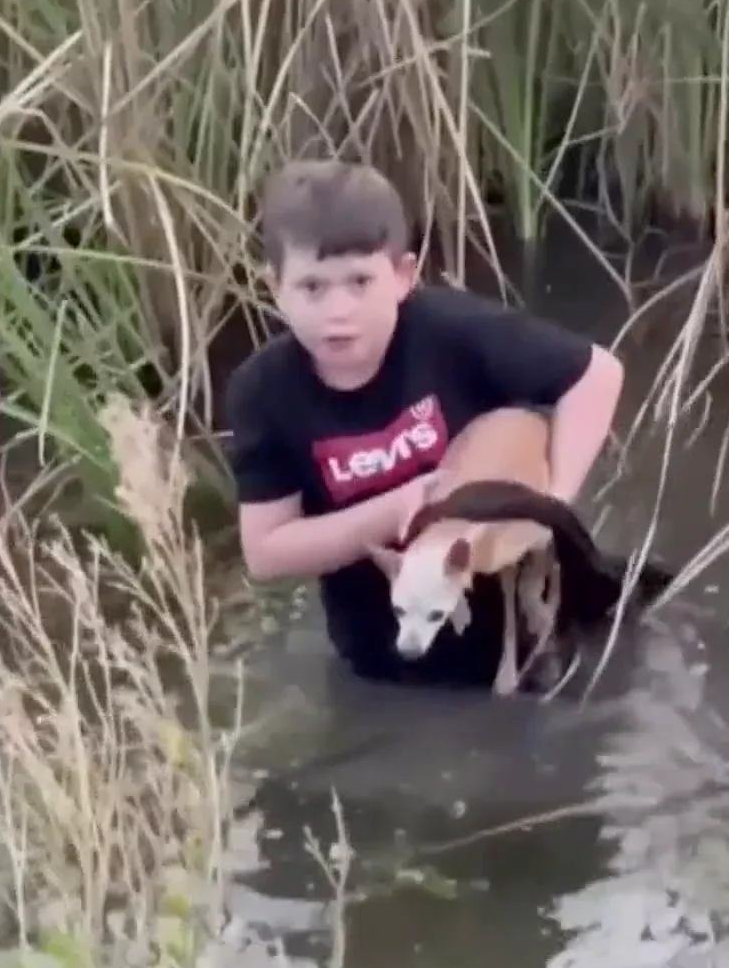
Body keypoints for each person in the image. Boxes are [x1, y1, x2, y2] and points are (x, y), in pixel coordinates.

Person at [224, 160, 623, 688]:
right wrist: (399, 508)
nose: (337, 310)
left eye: (360, 282)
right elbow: (267, 552)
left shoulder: (451, 332)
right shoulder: (263, 391)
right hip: (379, 644)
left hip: (516, 620)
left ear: (403, 277)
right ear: (275, 288)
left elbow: (597, 376)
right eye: (312, 287)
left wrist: (547, 508)